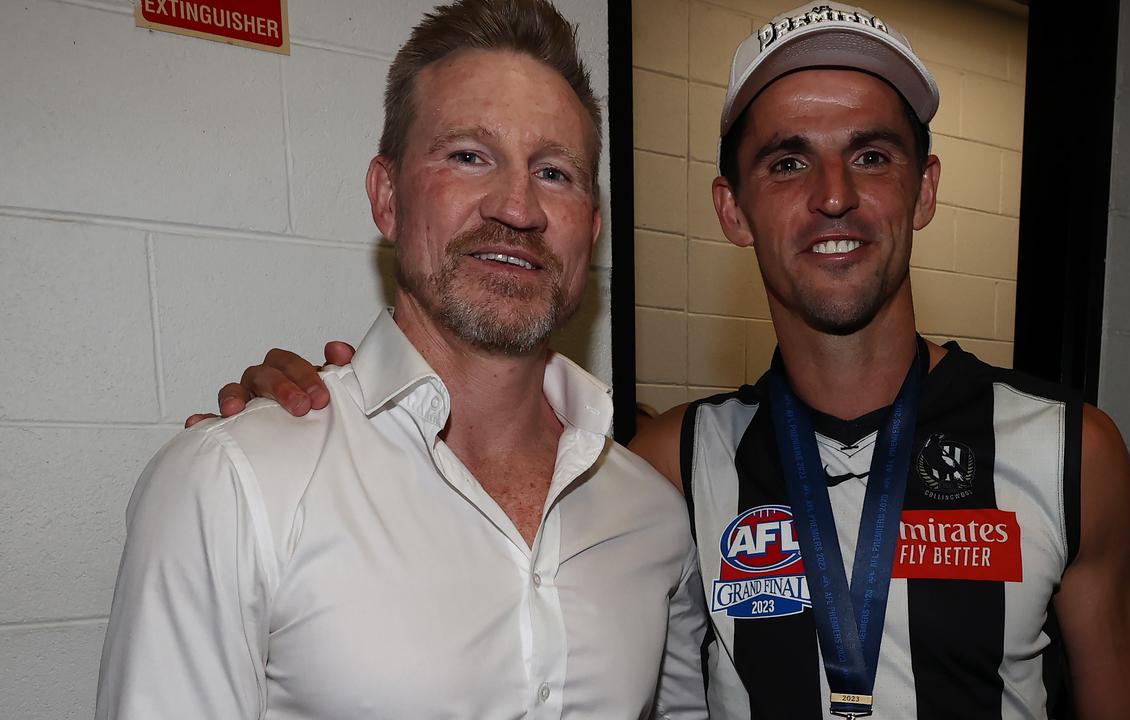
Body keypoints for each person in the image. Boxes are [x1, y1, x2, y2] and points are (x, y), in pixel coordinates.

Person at [205, 3, 1130, 719]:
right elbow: (480, 463)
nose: (834, 196)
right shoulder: (664, 469)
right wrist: (312, 419)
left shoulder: (1072, 455)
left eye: (872, 156)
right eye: (787, 162)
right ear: (731, 209)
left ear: (924, 189)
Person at [96, 1, 708, 718]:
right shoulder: (234, 487)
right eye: (469, 156)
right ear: (387, 198)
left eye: (554, 172)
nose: (517, 206)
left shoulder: (656, 521)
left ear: (591, 229)